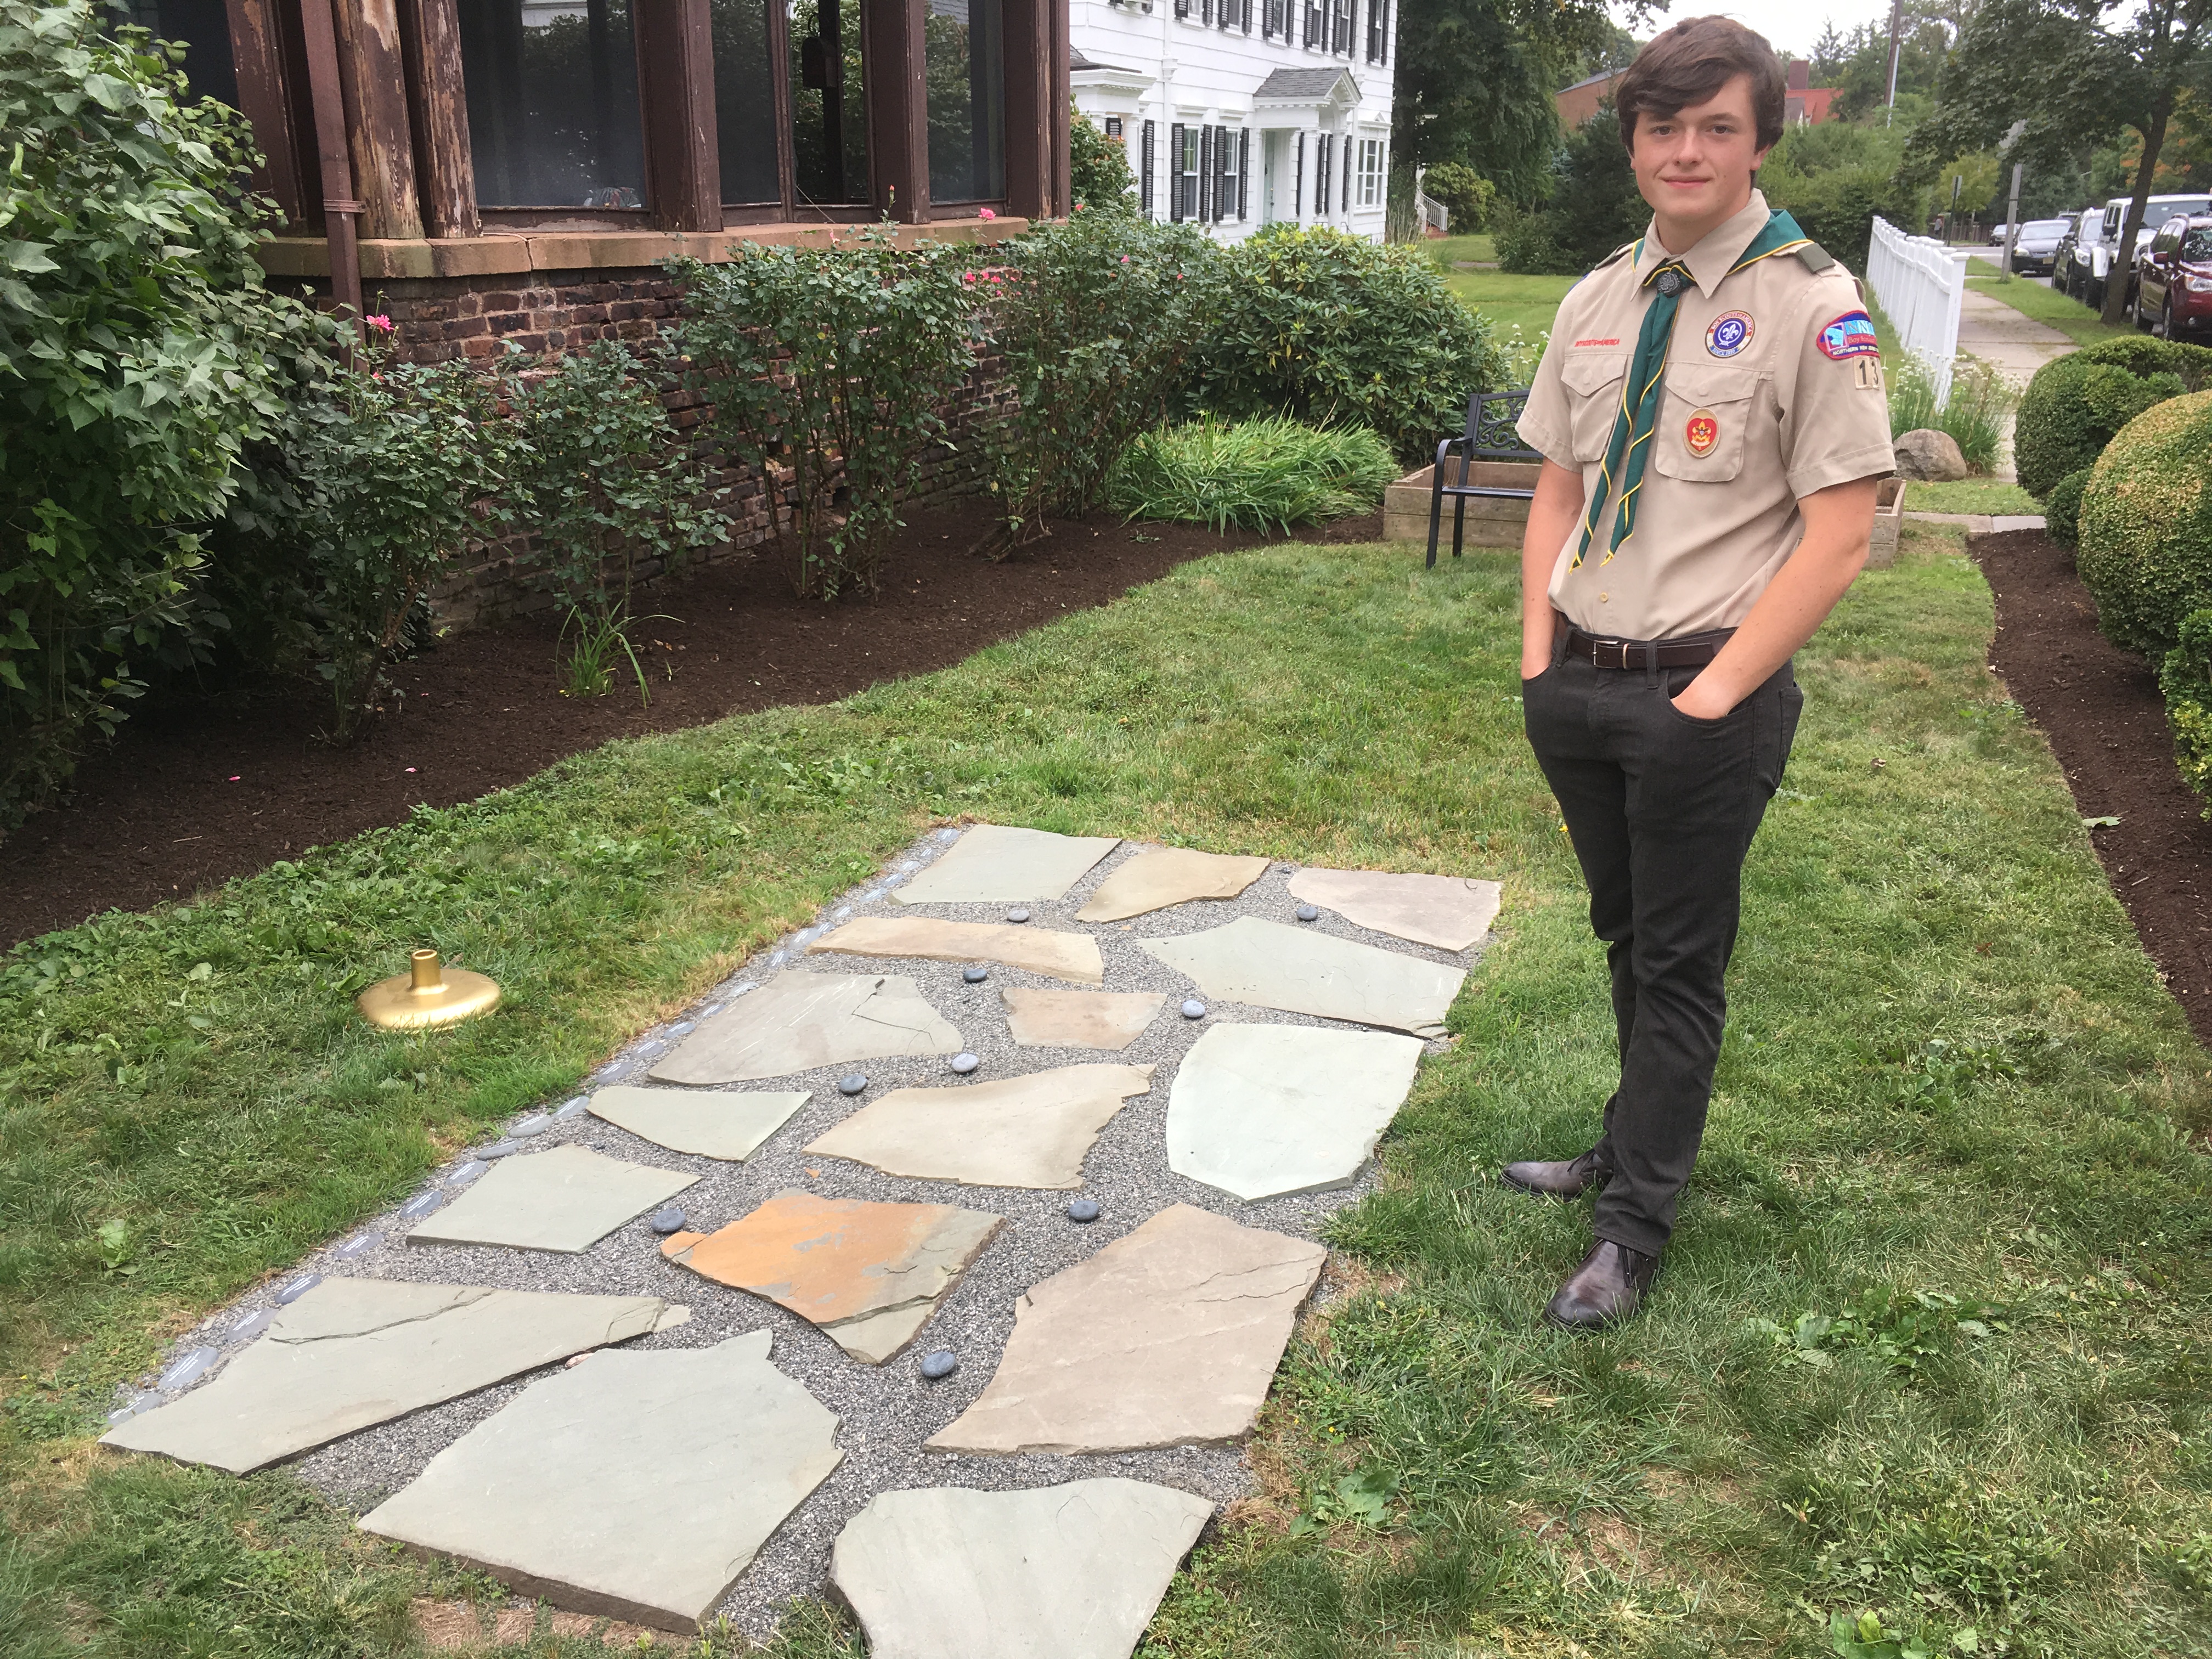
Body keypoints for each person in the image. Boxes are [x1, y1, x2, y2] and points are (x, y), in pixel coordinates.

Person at [1504, 15, 1893, 1328]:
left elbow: (1843, 532)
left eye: (1717, 126)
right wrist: (1536, 651)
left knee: (1678, 962)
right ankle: (1628, 1143)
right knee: (1627, 937)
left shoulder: (1811, 306)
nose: (1687, 150)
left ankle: (1633, 1228)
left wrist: (1715, 694)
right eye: (1663, 126)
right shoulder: (1599, 294)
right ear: (1632, 143)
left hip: (1697, 697)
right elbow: (1558, 480)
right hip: (1580, 687)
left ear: (1762, 139)